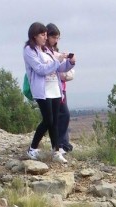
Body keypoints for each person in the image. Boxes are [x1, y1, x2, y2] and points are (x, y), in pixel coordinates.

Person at [23, 22, 75, 163]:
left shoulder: (47, 50)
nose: (45, 37)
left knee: (54, 122)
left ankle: (56, 151)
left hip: (55, 89)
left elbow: (59, 68)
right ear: (34, 36)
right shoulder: (29, 50)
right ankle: (32, 148)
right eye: (42, 34)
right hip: (42, 90)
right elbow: (40, 69)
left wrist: (70, 63)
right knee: (48, 120)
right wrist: (57, 61)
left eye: (46, 34)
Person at [46, 23, 74, 155]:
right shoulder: (44, 53)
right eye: (54, 37)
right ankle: (58, 145)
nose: (56, 40)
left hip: (59, 88)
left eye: (58, 38)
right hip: (50, 89)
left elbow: (62, 68)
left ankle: (60, 145)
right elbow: (49, 69)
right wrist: (60, 60)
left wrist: (70, 62)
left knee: (59, 116)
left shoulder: (54, 52)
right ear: (47, 36)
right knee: (57, 117)